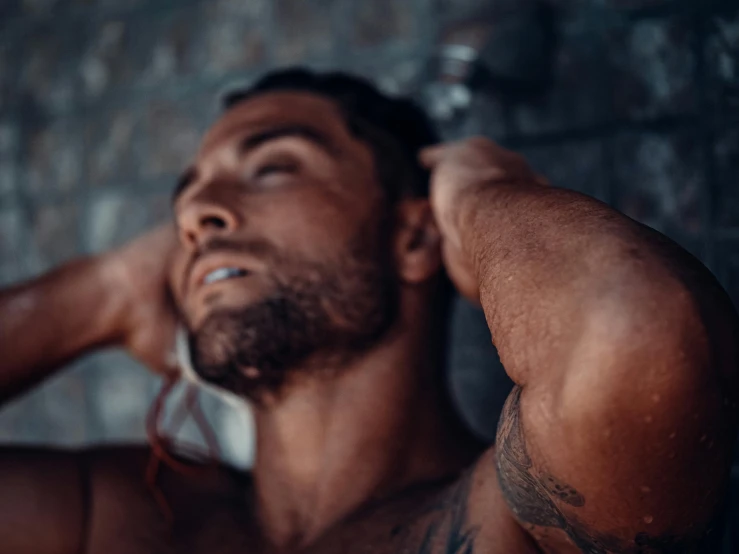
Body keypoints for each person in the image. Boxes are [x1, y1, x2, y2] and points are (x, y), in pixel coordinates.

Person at [0, 69, 736, 554]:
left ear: (416, 234)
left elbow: (638, 331)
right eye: (187, 197)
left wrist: (478, 195)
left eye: (271, 167)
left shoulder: (508, 522)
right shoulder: (126, 519)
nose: (196, 214)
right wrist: (102, 292)